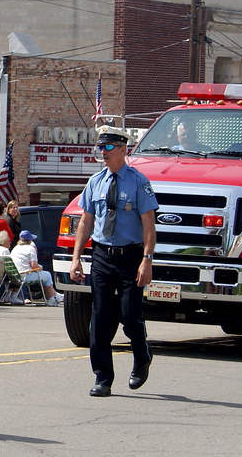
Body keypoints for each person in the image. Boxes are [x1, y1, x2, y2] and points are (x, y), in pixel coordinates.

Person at [69, 125, 157, 398]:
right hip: (102, 256)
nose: (103, 153)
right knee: (100, 319)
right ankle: (103, 377)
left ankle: (142, 357)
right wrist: (76, 259)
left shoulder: (138, 181)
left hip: (131, 256)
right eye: (100, 148)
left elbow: (149, 225)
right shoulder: (95, 182)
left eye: (108, 148)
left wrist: (147, 261)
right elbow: (86, 221)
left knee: (130, 317)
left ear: (123, 150)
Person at [11, 230, 62, 305]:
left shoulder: (15, 248)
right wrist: (40, 267)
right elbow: (34, 266)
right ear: (29, 240)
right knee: (47, 275)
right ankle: (52, 298)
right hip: (24, 276)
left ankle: (55, 296)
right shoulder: (30, 248)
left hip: (15, 276)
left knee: (45, 275)